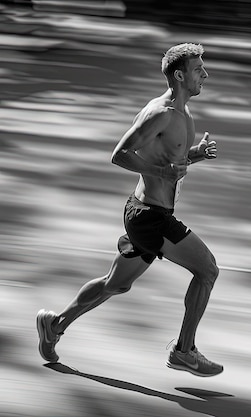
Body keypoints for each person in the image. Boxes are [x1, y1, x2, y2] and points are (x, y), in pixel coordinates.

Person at [36, 43, 223, 377]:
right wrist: (161, 173)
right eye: (199, 70)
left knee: (115, 284)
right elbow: (121, 153)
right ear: (180, 76)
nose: (205, 75)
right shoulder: (161, 112)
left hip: (145, 212)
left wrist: (195, 154)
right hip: (151, 216)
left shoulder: (180, 112)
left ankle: (55, 325)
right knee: (207, 270)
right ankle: (184, 351)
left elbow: (166, 157)